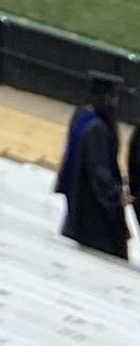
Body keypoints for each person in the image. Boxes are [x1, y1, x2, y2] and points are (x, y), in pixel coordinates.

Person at [55, 72, 130, 260]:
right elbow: (99, 169)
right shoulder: (97, 128)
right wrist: (117, 194)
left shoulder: (81, 115)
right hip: (93, 213)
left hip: (77, 199)